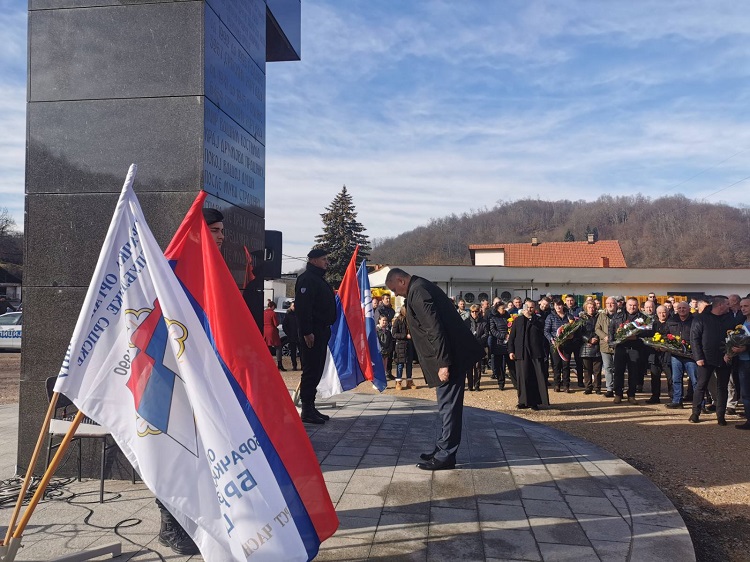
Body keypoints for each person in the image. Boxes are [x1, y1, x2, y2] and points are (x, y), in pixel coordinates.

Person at [156, 207, 225, 555]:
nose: (222, 236)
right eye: (214, 229)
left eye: (222, 230)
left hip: (203, 374)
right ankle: (170, 525)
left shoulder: (212, 271)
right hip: (171, 374)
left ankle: (192, 519)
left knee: (200, 451)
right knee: (174, 451)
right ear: (198, 232)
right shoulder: (174, 268)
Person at [385, 268, 484, 471]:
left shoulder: (419, 291)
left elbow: (435, 329)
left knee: (448, 407)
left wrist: (443, 363)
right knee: (445, 406)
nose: (396, 294)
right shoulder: (419, 287)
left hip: (449, 359)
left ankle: (446, 455)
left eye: (395, 289)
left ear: (402, 281)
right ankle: (442, 448)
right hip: (447, 356)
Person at [295, 248, 337, 424]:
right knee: (311, 370)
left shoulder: (318, 279)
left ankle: (311, 406)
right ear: (313, 260)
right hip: (313, 332)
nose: (327, 262)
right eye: (324, 259)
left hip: (321, 330)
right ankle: (307, 409)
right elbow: (303, 308)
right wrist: (307, 332)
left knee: (317, 368)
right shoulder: (307, 280)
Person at [689, 295, 732, 425]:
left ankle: (720, 416)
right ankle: (695, 413)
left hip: (724, 358)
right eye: (727, 304)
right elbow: (694, 338)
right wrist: (698, 357)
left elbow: (734, 336)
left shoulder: (729, 319)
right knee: (701, 386)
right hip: (705, 359)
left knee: (722, 387)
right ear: (720, 305)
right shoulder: (701, 318)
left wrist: (730, 353)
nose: (729, 306)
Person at [508, 300, 550, 410]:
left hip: (535, 352)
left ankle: (534, 402)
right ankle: (522, 401)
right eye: (528, 307)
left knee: (534, 377)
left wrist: (530, 319)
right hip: (521, 352)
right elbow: (512, 336)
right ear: (524, 308)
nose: (529, 310)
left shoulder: (538, 319)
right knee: (522, 377)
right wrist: (511, 351)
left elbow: (541, 330)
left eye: (531, 308)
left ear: (534, 309)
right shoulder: (518, 320)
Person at [609, 297, 648, 405]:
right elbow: (611, 330)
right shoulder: (617, 316)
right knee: (618, 372)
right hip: (620, 347)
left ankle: (631, 395)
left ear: (638, 306)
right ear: (626, 305)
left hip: (635, 348)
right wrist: (612, 343)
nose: (632, 307)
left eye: (634, 305)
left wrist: (636, 337)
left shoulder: (643, 318)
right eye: (630, 305)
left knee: (634, 373)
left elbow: (647, 333)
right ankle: (618, 394)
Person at [666, 301, 697, 409]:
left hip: (690, 355)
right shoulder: (672, 320)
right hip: (676, 354)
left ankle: (699, 404)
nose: (682, 310)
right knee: (676, 379)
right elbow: (666, 335)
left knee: (695, 380)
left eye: (684, 308)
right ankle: (677, 401)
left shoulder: (694, 320)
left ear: (689, 309)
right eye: (679, 308)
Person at [544, 299, 575, 393]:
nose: (558, 307)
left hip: (567, 344)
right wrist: (551, 339)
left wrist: (571, 335)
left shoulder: (569, 316)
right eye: (556, 305)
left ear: (563, 306)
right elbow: (546, 331)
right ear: (553, 306)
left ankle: (566, 385)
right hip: (555, 344)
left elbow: (573, 329)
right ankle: (557, 384)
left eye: (560, 305)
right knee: (556, 365)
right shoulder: (550, 317)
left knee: (566, 365)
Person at [645, 305, 671, 404]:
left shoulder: (672, 323)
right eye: (659, 313)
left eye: (664, 312)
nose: (662, 314)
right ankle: (655, 396)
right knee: (655, 377)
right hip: (654, 355)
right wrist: (653, 345)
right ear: (656, 313)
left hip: (668, 355)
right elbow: (647, 337)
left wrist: (666, 346)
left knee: (670, 377)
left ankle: (673, 396)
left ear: (667, 312)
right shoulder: (652, 324)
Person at [578, 301, 602, 394]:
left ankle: (597, 387)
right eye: (589, 307)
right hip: (586, 346)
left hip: (598, 345)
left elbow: (602, 328)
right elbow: (580, 333)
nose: (591, 309)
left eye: (593, 307)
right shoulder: (581, 319)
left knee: (597, 369)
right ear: (585, 308)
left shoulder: (599, 317)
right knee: (587, 369)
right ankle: (588, 387)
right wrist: (588, 340)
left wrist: (597, 338)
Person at [733, 298, 750, 429]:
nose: (743, 308)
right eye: (742, 306)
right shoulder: (742, 322)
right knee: (746, 393)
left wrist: (745, 348)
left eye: (746, 306)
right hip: (743, 362)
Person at [595, 297, 617, 398]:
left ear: (616, 304)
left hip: (618, 345)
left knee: (617, 368)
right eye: (608, 303)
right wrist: (604, 336)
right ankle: (609, 389)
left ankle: (618, 388)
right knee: (608, 368)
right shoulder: (601, 315)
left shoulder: (620, 315)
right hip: (605, 345)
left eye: (612, 303)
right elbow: (597, 329)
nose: (610, 305)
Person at [464, 305, 488, 391]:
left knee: (478, 367)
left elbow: (486, 334)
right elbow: (464, 334)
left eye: (476, 311)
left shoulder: (483, 322)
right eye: (473, 311)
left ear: (479, 312)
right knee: (469, 368)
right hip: (469, 347)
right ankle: (470, 386)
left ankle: (477, 385)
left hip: (479, 346)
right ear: (470, 312)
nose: (474, 313)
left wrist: (479, 341)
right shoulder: (466, 322)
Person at [488, 301, 511, 390]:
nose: (504, 310)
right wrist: (503, 336)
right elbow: (492, 330)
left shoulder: (507, 316)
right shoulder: (493, 317)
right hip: (497, 343)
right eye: (502, 309)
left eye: (505, 308)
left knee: (508, 364)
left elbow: (510, 326)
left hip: (507, 343)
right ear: (497, 309)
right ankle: (500, 381)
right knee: (499, 365)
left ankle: (512, 381)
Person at [392, 305, 415, 390]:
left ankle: (409, 381)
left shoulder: (410, 320)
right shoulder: (398, 321)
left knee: (409, 363)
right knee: (400, 364)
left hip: (409, 344)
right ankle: (398, 382)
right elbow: (394, 334)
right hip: (401, 344)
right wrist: (405, 336)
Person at [376, 294, 396, 379]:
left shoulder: (392, 310)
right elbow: (377, 320)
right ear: (383, 299)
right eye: (386, 299)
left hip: (389, 332)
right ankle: (380, 375)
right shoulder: (379, 310)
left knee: (389, 355)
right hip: (381, 332)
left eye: (389, 298)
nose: (388, 300)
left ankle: (388, 372)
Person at [263, 301, 285, 371]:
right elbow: (276, 323)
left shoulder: (263, 312)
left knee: (267, 347)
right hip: (272, 331)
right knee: (278, 347)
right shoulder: (273, 313)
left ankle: (266, 363)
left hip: (265, 330)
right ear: (272, 306)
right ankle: (279, 364)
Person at [281, 301, 300, 371]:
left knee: (302, 352)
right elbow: (284, 326)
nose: (294, 307)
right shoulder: (288, 315)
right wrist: (289, 334)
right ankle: (294, 366)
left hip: (299, 336)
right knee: (293, 352)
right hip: (292, 336)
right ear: (291, 306)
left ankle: (303, 366)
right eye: (293, 306)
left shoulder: (300, 314)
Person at [376, 315, 395, 379]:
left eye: (386, 320)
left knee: (384, 367)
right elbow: (377, 341)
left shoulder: (388, 332)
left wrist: (388, 349)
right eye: (383, 320)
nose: (385, 322)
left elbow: (390, 342)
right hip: (379, 352)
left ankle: (383, 379)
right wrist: (381, 349)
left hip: (386, 352)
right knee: (379, 367)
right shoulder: (376, 331)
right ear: (379, 321)